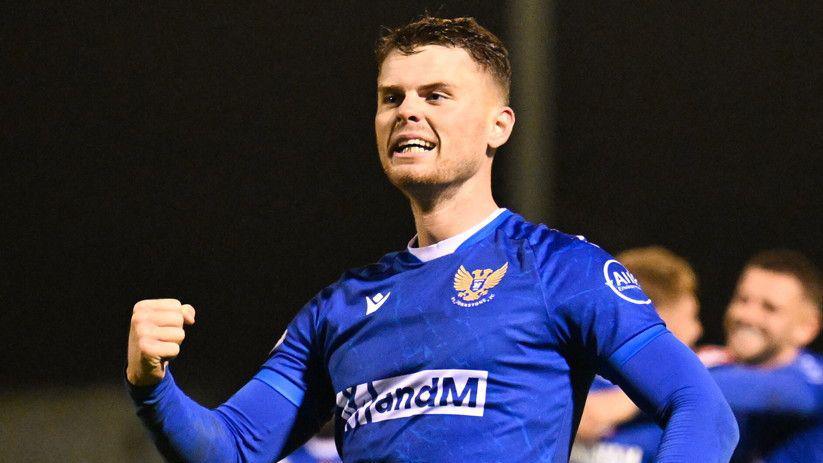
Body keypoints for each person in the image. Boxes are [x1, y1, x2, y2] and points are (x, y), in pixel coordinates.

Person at [126, 16, 738, 462]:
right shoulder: (336, 309)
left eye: (436, 96)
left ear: (499, 126)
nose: (406, 112)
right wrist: (152, 386)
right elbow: (231, 448)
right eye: (391, 98)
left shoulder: (559, 270)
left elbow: (704, 414)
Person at [571, 246, 705, 463]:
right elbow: (588, 419)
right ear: (653, 317)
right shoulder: (574, 368)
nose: (697, 330)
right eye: (691, 316)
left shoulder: (709, 375)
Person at [712, 250, 823, 462]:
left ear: (806, 327)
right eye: (742, 299)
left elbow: (780, 393)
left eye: (769, 308)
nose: (747, 316)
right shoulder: (716, 367)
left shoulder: (814, 381)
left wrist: (660, 388)